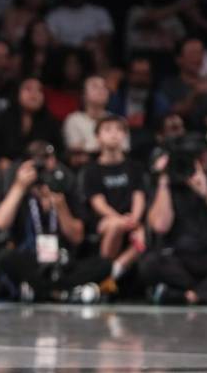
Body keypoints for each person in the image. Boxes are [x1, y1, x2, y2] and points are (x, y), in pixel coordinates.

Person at [0, 141, 111, 303]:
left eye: (48, 159)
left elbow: (77, 237)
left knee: (104, 264)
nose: (43, 165)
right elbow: (0, 223)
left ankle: (42, 291)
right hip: (31, 259)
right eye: (38, 160)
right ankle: (62, 292)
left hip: (62, 261)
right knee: (5, 257)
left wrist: (60, 206)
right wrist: (19, 187)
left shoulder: (65, 187)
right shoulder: (19, 189)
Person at [141, 133, 207, 305]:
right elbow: (160, 225)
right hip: (178, 258)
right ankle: (204, 292)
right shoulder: (164, 186)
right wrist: (164, 180)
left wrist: (205, 192)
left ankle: (189, 296)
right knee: (150, 264)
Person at [82, 115, 147, 288]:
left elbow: (138, 195)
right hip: (104, 221)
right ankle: (101, 272)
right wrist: (121, 219)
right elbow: (98, 203)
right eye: (108, 129)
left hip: (131, 219)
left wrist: (134, 219)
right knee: (115, 225)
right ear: (98, 136)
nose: (114, 134)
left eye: (119, 129)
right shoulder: (92, 170)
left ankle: (110, 276)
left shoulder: (134, 167)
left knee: (145, 235)